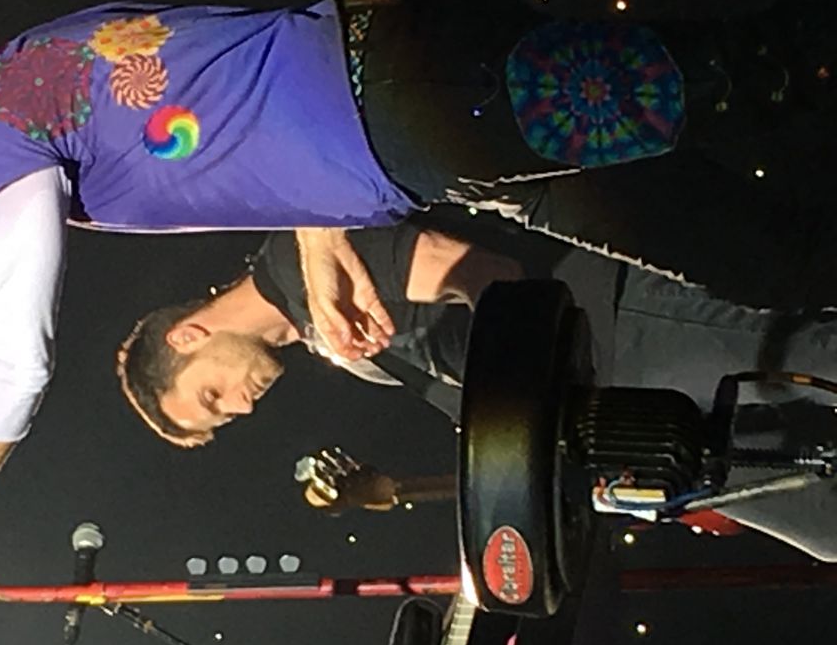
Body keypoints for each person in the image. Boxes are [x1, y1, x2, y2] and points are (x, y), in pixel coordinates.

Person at [0, 0, 835, 591]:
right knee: (753, 232)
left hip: (418, 100)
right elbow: (231, 79)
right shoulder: (21, 78)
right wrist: (319, 225)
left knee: (751, 87)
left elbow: (13, 364)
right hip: (406, 97)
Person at [116, 210, 837, 560]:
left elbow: (494, 280)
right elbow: (498, 426)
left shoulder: (306, 262)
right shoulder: (328, 339)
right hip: (624, 410)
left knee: (817, 364)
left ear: (188, 337)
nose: (241, 407)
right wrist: (400, 490)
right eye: (225, 417)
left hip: (622, 329)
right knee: (823, 523)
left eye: (212, 397)